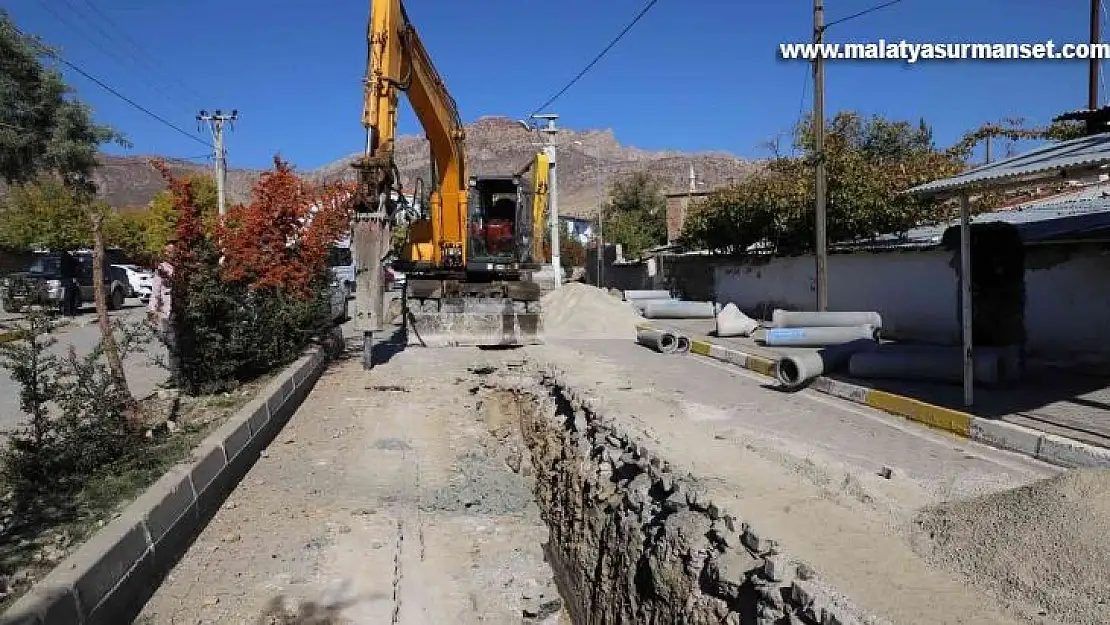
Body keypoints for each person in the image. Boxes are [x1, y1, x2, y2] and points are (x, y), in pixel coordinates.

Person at [148, 242, 180, 379]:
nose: (169, 254)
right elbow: (155, 293)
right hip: (167, 312)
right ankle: (175, 376)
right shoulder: (161, 270)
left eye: (171, 251)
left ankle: (184, 374)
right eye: (166, 251)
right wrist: (152, 311)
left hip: (182, 310)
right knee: (172, 345)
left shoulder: (182, 268)